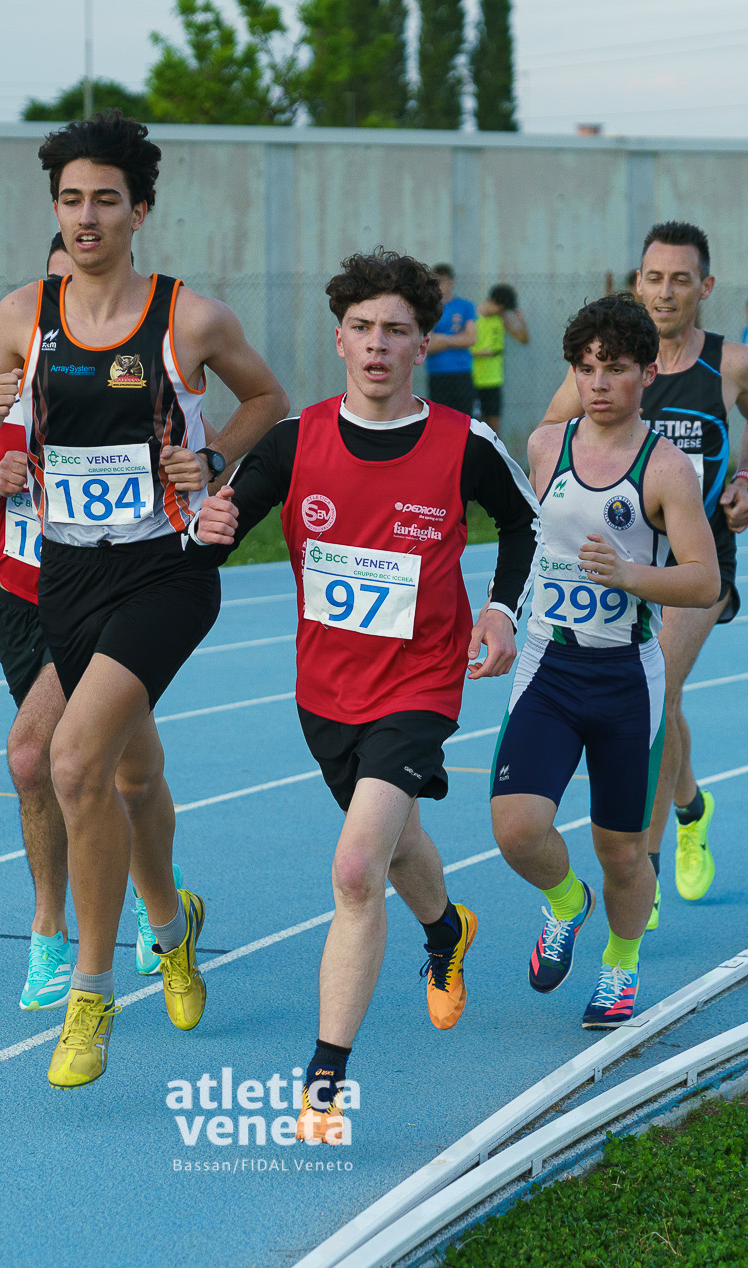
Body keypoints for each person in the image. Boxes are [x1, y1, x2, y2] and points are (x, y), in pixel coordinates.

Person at [0, 111, 289, 1090]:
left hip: (165, 570)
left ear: (139, 210)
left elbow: (270, 402)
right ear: (54, 210)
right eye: (69, 200)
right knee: (131, 774)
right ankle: (172, 929)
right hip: (67, 573)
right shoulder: (23, 315)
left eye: (104, 199)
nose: (85, 217)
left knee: (71, 758)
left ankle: (89, 995)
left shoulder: (188, 318)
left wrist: (211, 454)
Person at [192, 248, 538, 1140]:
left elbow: (523, 524)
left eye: (396, 330)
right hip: (325, 690)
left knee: (355, 869)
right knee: (396, 838)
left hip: (422, 683)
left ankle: (324, 1079)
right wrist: (210, 522)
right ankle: (446, 931)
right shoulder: (293, 441)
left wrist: (500, 610)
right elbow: (216, 533)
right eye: (361, 328)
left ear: (423, 344)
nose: (378, 345)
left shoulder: (464, 442)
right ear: (339, 339)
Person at [491, 294, 719, 1032]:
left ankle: (621, 963)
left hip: (625, 678)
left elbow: (704, 581)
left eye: (615, 369)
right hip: (549, 666)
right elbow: (522, 538)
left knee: (621, 851)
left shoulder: (667, 468)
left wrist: (631, 577)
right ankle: (566, 903)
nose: (598, 383)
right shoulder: (545, 447)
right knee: (516, 829)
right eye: (586, 368)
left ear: (646, 374)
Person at [540, 222, 748, 910]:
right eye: (654, 278)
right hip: (617, 556)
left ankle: (640, 869)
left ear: (706, 287)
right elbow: (550, 436)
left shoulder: (732, 365)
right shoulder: (608, 364)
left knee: (656, 690)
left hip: (697, 557)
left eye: (681, 279)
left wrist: (747, 482)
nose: (666, 291)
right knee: (661, 703)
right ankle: (691, 807)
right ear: (636, 283)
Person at [471, 282, 529, 434]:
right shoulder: (472, 316)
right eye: (501, 309)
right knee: (473, 426)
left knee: (493, 428)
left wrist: (522, 323)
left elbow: (523, 339)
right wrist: (483, 353)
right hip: (472, 379)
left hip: (493, 380)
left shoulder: (501, 318)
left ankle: (494, 450)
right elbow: (462, 347)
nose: (501, 312)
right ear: (492, 301)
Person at [422, 263, 477, 418]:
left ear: (452, 282)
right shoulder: (428, 308)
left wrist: (442, 338)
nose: (440, 286)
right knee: (440, 418)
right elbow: (428, 345)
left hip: (462, 371)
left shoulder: (465, 306)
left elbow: (471, 339)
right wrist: (457, 339)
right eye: (436, 281)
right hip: (438, 372)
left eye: (443, 281)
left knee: (464, 418)